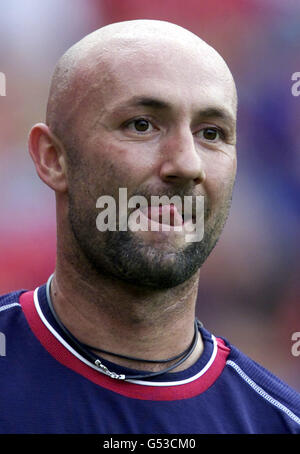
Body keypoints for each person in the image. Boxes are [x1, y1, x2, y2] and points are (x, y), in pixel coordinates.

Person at [0, 19, 299, 435]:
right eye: (142, 125)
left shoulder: (279, 423)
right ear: (53, 158)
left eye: (211, 133)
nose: (186, 164)